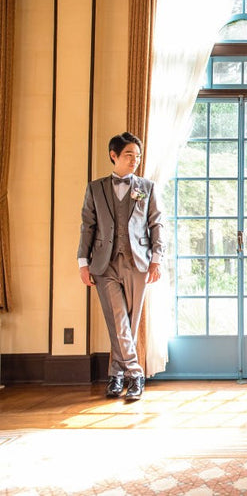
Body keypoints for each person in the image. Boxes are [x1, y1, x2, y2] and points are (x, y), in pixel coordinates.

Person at [78, 132, 164, 401]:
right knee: (117, 320)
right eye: (129, 155)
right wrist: (83, 262)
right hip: (103, 264)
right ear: (113, 155)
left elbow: (156, 224)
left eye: (137, 156)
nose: (134, 161)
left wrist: (157, 259)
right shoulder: (95, 188)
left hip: (138, 262)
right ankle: (135, 374)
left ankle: (116, 375)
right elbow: (87, 226)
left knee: (128, 322)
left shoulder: (145, 187)